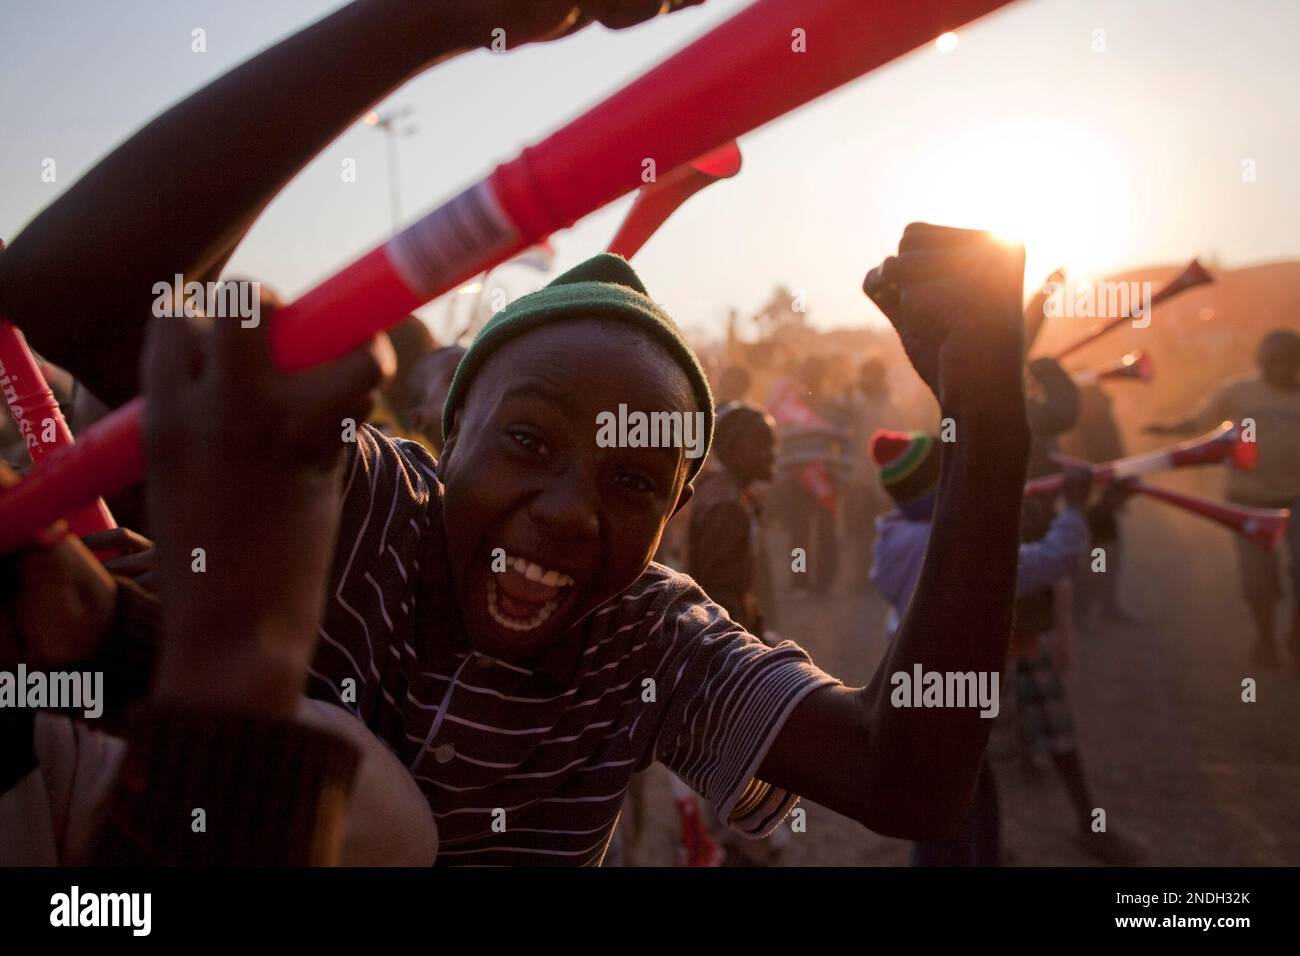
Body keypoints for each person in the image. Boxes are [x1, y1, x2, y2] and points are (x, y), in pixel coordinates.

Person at [869, 431, 1144, 865]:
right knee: (955, 791)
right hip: (960, 679)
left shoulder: (897, 534)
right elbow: (1047, 561)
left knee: (967, 779)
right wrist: (1074, 510)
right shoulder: (954, 542)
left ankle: (985, 851)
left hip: (922, 679)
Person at [1147, 329, 1300, 668]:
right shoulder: (1236, 392)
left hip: (1296, 497)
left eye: (1286, 362)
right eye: (1271, 362)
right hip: (1247, 499)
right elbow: (1199, 422)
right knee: (1258, 579)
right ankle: (1266, 640)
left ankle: (1295, 637)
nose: (1278, 369)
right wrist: (1167, 432)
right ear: (1260, 362)